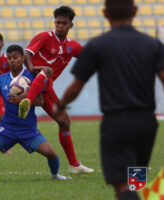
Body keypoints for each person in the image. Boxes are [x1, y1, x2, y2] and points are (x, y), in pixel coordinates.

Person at [53, 0, 164, 199]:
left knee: (122, 187)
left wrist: (60, 106)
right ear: (135, 11)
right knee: (135, 182)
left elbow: (76, 86)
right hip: (146, 122)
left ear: (105, 14)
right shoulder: (152, 44)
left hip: (116, 123)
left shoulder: (98, 45)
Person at [0, 45, 70, 182]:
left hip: (28, 129)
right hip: (7, 128)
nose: (12, 61)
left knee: (51, 154)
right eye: (9, 58)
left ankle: (55, 175)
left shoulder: (32, 76)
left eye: (15, 58)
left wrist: (22, 98)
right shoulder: (1, 79)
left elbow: (40, 101)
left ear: (22, 58)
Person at [18, 5, 93, 174]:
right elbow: (27, 54)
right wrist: (31, 69)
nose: (60, 26)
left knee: (64, 121)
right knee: (46, 70)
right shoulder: (45, 37)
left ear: (70, 26)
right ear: (54, 23)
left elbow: (89, 57)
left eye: (64, 23)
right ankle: (27, 102)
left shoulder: (72, 46)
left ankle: (74, 165)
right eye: (58, 22)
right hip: (31, 82)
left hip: (47, 87)